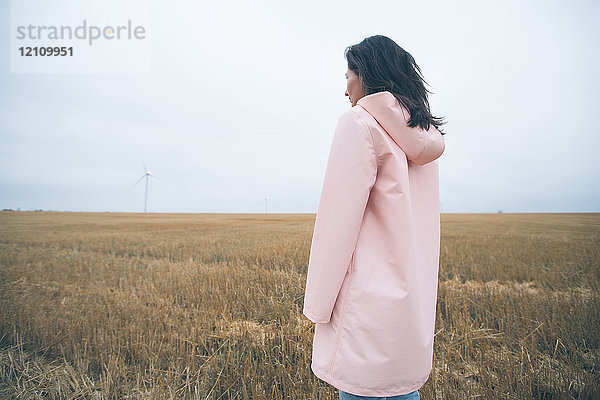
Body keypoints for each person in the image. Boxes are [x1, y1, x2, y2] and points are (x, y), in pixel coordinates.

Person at [302, 35, 447, 399]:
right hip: (410, 307)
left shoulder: (358, 124)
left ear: (366, 75)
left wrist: (317, 306)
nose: (345, 88)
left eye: (347, 75)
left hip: (364, 312)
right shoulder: (421, 135)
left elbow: (337, 227)